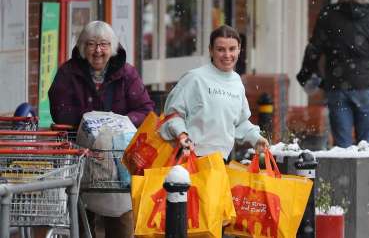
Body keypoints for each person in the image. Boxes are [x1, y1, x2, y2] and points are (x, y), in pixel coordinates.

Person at [48, 20, 154, 238]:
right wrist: (91, 123)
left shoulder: (127, 74)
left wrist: (117, 121)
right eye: (91, 44)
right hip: (81, 157)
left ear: (113, 47)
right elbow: (61, 112)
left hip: (117, 158)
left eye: (104, 44)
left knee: (121, 219)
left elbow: (145, 110)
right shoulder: (68, 73)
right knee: (82, 218)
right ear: (82, 47)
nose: (98, 51)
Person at [160, 24, 269, 161]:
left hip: (219, 161)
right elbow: (173, 114)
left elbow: (240, 122)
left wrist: (256, 138)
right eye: (220, 49)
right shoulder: (195, 78)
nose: (227, 55)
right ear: (211, 50)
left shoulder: (236, 82)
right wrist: (182, 135)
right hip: (189, 158)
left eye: (232, 49)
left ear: (239, 50)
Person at [297, 0, 369, 148]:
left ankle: (344, 172)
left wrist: (306, 76)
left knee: (342, 146)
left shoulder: (328, 14)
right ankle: (367, 172)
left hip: (337, 86)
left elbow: (314, 49)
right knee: (368, 146)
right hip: (367, 87)